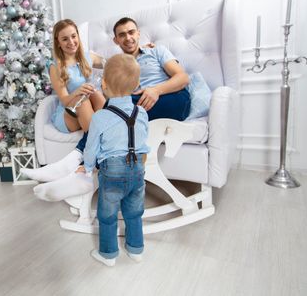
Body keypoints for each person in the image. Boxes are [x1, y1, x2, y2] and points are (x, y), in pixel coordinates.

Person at [25, 17, 190, 190]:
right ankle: (84, 170)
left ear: (139, 33)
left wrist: (156, 90)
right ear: (116, 40)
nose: (128, 38)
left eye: (131, 32)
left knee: (113, 107)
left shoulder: (157, 51)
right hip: (136, 104)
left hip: (172, 97)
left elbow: (183, 78)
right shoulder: (118, 63)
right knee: (111, 108)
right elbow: (106, 68)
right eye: (122, 35)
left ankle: (76, 161)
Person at [80, 53, 149, 266]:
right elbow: (144, 141)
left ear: (103, 84)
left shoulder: (100, 116)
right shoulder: (142, 112)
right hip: (137, 169)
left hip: (112, 172)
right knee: (134, 211)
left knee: (108, 215)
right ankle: (136, 249)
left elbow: (91, 147)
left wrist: (88, 166)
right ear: (137, 85)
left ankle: (108, 254)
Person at [27, 19, 106, 183]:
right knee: (83, 100)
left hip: (87, 106)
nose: (71, 42)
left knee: (96, 94)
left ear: (78, 35)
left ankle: (90, 157)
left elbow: (109, 63)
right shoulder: (56, 66)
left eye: (73, 36)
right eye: (65, 39)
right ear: (58, 43)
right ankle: (93, 161)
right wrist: (77, 92)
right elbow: (63, 99)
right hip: (68, 113)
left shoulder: (87, 57)